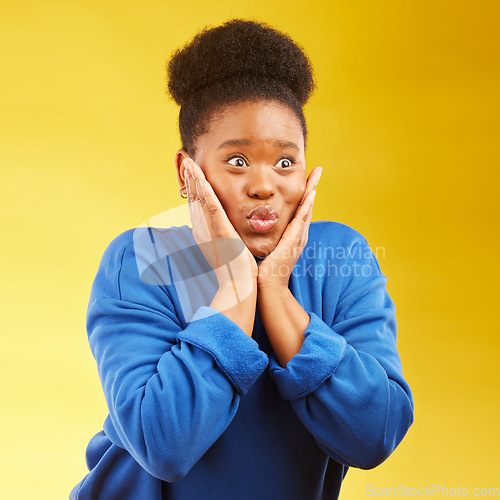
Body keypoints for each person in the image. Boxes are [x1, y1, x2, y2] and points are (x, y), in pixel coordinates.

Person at [70, 18, 414, 500]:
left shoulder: (340, 257)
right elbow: (163, 444)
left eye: (285, 162)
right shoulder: (142, 258)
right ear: (187, 172)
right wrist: (236, 288)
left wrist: (275, 291)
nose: (264, 185)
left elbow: (374, 434)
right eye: (237, 161)